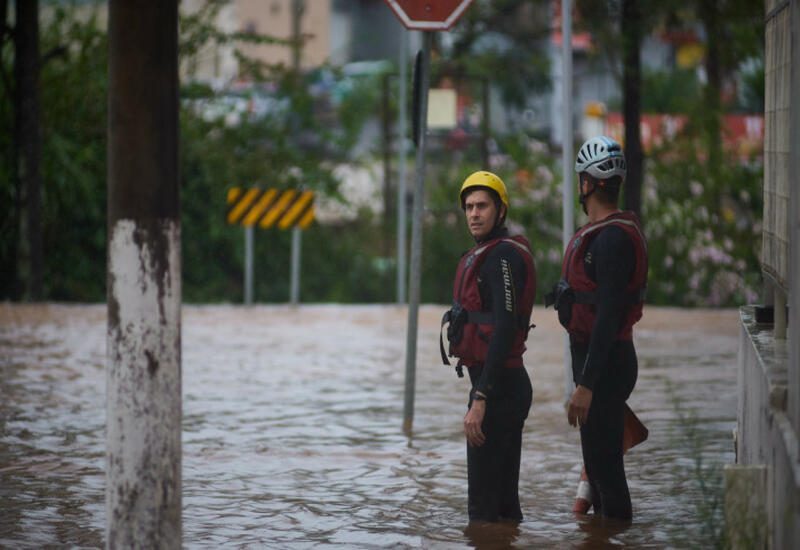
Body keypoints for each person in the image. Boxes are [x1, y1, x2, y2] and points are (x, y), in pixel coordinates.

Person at [545, 136, 648, 520]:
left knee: (606, 470)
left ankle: (616, 533)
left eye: (580, 180)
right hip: (600, 363)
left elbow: (607, 315)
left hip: (606, 365)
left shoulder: (611, 240)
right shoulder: (605, 234)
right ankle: (604, 539)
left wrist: (586, 385)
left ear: (587, 183)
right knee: (598, 467)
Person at [440, 170, 536, 522]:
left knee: (482, 513)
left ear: (501, 211)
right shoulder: (490, 254)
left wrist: (480, 398)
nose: (474, 213)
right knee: (504, 511)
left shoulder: (502, 257)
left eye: (482, 206)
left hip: (499, 391)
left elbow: (505, 327)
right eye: (469, 207)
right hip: (500, 388)